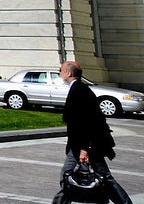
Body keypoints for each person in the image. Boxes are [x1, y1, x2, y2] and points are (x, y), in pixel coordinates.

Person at [51, 60, 133, 204]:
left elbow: (84, 122)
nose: (59, 72)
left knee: (101, 177)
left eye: (61, 69)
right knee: (70, 175)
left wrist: (84, 148)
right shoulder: (79, 88)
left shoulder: (79, 90)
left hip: (86, 145)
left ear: (69, 73)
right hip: (83, 144)